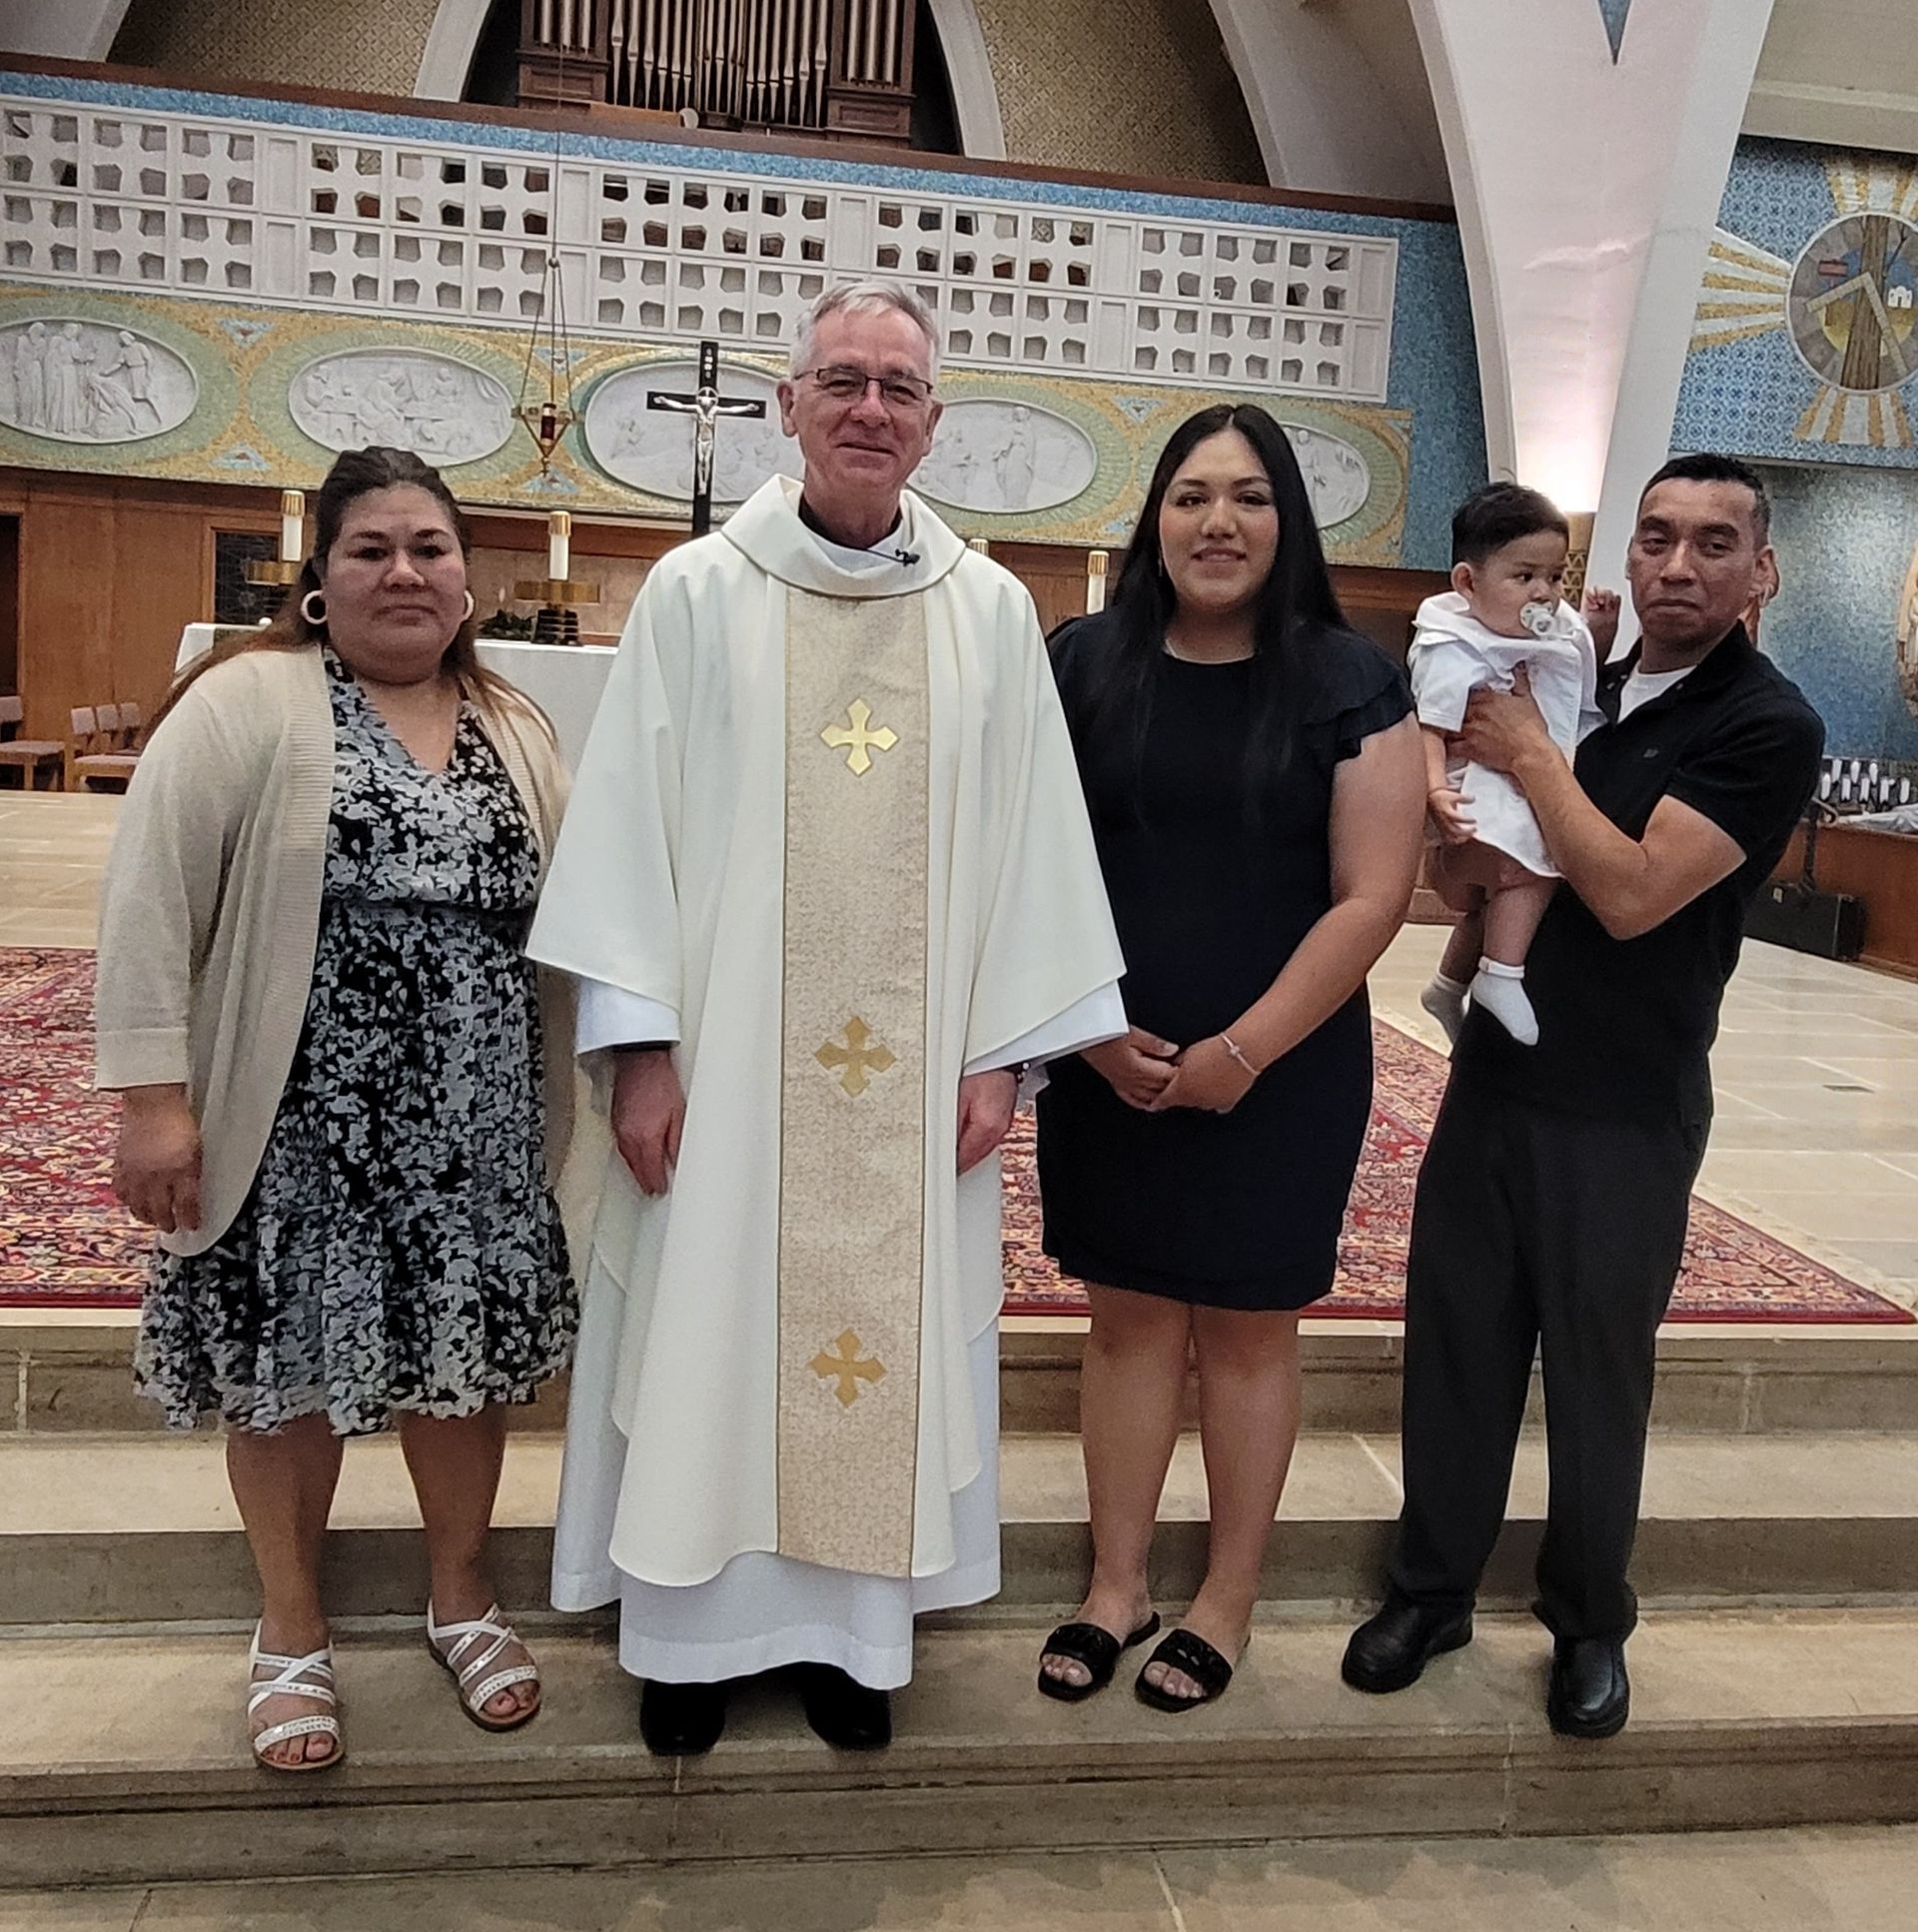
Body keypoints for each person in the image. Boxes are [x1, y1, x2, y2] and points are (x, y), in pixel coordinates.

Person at [527, 282, 1125, 1756]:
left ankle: (852, 1642)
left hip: (919, 1086)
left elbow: (1033, 848)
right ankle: (688, 1638)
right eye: (842, 380)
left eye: (898, 387)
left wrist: (1005, 1055)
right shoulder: (695, 595)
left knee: (881, 1342)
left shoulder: (990, 613)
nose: (869, 407)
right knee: (706, 1323)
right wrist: (639, 1048)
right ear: (788, 406)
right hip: (721, 1071)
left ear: (934, 423)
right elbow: (627, 835)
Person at [96, 447, 579, 1773]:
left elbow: (571, 912)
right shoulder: (249, 701)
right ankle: (291, 1627)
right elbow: (149, 900)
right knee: (282, 1372)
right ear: (319, 576)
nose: (404, 571)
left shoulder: (515, 724)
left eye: (430, 547)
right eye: (372, 548)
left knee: (463, 1366)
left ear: (467, 580)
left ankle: (461, 1594)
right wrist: (154, 1101)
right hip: (295, 1126)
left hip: (474, 1130)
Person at [1343, 455, 1824, 1739]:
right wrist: (1463, 834)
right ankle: (1431, 1589)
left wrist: (1522, 753)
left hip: (1625, 1104)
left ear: (1762, 571)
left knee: (1599, 1374)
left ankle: (1588, 1616)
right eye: (1655, 537)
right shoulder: (1575, 674)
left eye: (1713, 543)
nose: (1677, 564)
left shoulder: (1763, 722)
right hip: (1498, 1079)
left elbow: (1628, 890)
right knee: (1458, 1345)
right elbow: (1467, 871)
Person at [1035, 405, 1425, 1712]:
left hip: (1283, 1064)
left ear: (1287, 522)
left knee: (1252, 1332)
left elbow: (1373, 895)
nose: (1219, 521)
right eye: (1192, 495)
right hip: (1109, 1058)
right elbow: (1030, 861)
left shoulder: (1350, 679)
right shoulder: (1082, 662)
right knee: (1125, 1322)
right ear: (1154, 516)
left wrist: (1246, 1050)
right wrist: (1086, 1028)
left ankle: (1227, 1598)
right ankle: (1117, 1585)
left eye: (1250, 497)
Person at [1411, 484, 1601, 1046]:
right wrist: (1434, 792)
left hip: (1521, 780)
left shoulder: (1557, 631)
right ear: (1468, 583)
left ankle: (1448, 984)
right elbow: (1429, 728)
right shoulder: (1452, 643)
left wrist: (1601, 634)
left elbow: (1572, 685)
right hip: (1473, 789)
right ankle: (1501, 974)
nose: (1545, 593)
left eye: (1555, 577)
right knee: (1532, 869)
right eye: (1524, 577)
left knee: (1499, 896)